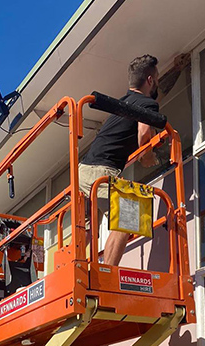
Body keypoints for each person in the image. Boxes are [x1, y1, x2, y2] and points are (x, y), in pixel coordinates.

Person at [79, 54, 160, 266]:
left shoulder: (122, 103)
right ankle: (107, 274)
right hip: (102, 170)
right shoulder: (147, 103)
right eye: (157, 79)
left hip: (83, 169)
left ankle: (65, 269)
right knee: (130, 218)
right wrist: (148, 157)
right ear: (150, 80)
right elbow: (144, 134)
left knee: (88, 229)